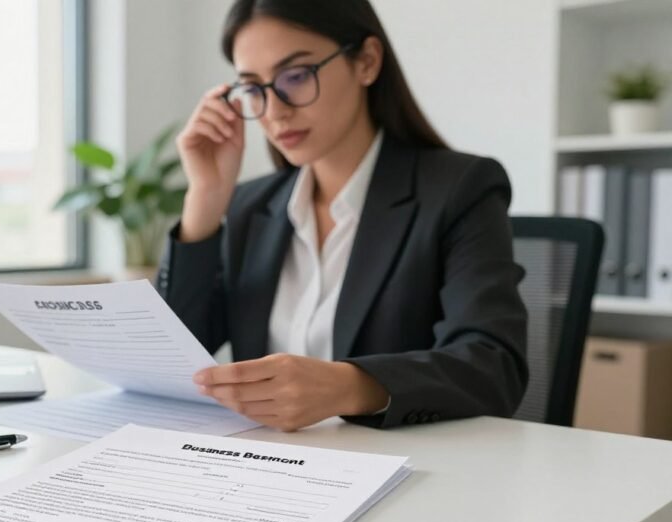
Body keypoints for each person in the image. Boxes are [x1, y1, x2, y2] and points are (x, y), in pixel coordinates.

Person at [157, 0, 528, 431]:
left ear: (367, 62)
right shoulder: (250, 206)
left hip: (406, 471)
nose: (275, 112)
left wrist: (348, 387)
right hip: (268, 469)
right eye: (254, 89)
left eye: (295, 76)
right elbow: (178, 359)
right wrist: (205, 199)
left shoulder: (460, 188)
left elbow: (493, 365)